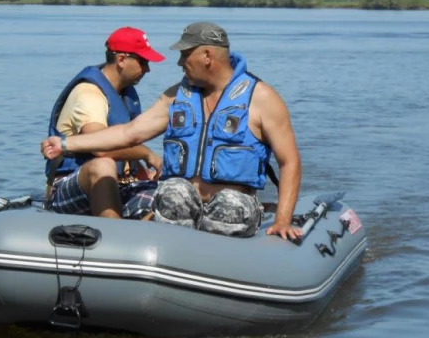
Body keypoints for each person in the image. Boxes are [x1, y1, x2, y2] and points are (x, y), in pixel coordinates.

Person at [42, 22, 302, 240]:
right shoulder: (177, 96)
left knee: (229, 205)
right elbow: (128, 133)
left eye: (185, 54)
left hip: (232, 207)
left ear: (207, 56)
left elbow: (288, 161)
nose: (179, 62)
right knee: (173, 192)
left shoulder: (262, 98)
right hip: (183, 206)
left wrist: (283, 219)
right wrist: (65, 144)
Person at [44, 26, 165, 220]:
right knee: (103, 165)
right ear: (122, 60)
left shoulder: (124, 93)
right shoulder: (89, 93)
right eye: (143, 62)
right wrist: (147, 154)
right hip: (70, 188)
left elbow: (126, 146)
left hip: (120, 184)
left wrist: (141, 169)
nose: (147, 69)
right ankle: (113, 238)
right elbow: (103, 150)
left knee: (173, 193)